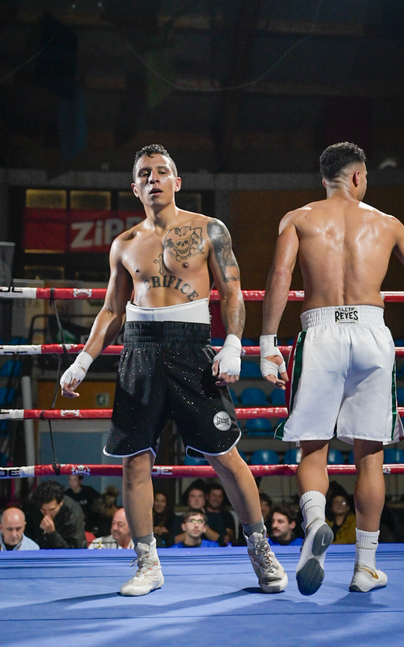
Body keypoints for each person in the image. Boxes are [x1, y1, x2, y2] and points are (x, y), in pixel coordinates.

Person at [60, 143, 287, 596]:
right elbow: (111, 309)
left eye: (161, 171)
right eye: (145, 173)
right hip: (139, 351)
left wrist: (233, 344)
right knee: (134, 461)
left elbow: (233, 291)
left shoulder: (209, 229)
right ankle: (147, 564)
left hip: (192, 349)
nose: (153, 179)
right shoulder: (124, 244)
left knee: (225, 456)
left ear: (177, 182)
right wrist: (83, 360)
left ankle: (261, 550)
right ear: (135, 187)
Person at [261, 141, 404, 595]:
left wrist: (268, 344)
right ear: (357, 176)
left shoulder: (299, 218)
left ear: (324, 179)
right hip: (371, 333)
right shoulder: (386, 223)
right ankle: (365, 569)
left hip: (320, 331)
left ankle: (315, 523)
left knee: (313, 448)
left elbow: (279, 277)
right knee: (370, 455)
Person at [30, 480, 87, 549]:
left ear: (61, 503)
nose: (47, 515)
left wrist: (52, 533)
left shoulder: (73, 513)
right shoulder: (32, 504)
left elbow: (73, 551)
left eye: (52, 509)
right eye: (43, 509)